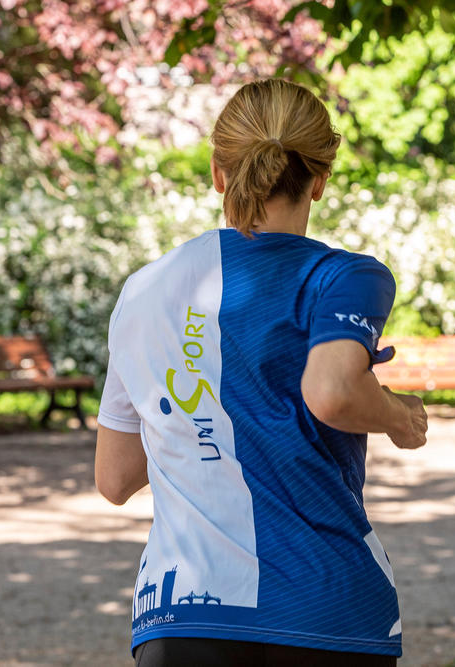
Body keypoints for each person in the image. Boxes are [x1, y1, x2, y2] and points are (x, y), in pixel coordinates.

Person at [94, 78, 428, 667]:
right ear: (320, 178)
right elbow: (332, 391)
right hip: (323, 612)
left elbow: (116, 478)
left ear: (219, 172)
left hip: (179, 622)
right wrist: (399, 415)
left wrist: (200, 388)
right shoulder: (345, 277)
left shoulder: (143, 291)